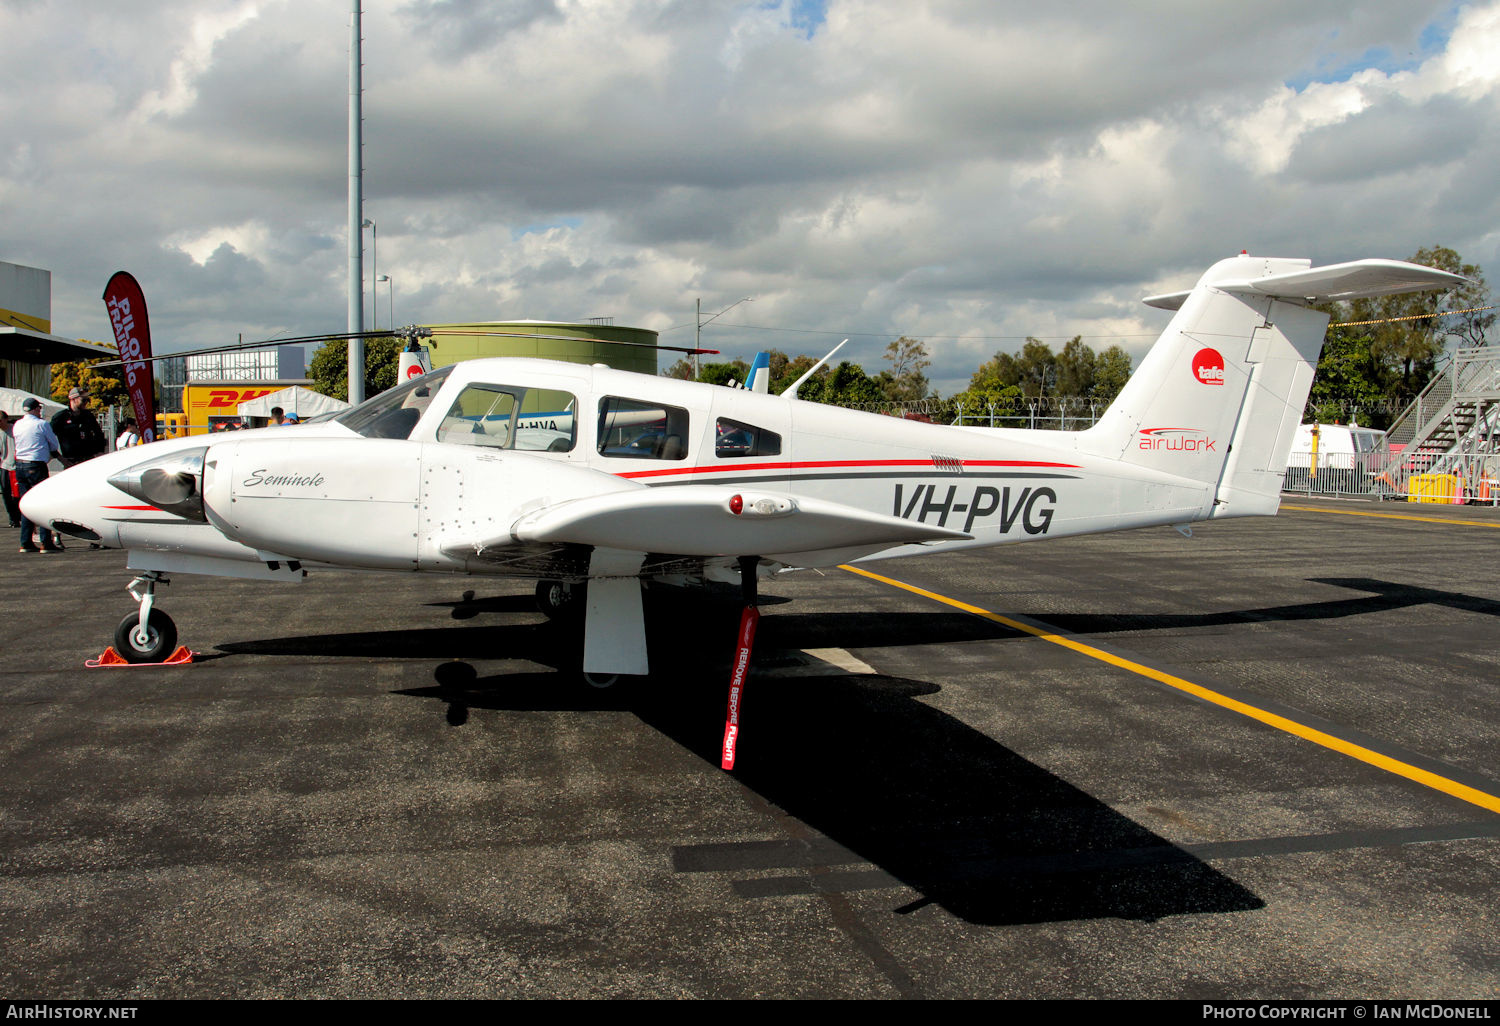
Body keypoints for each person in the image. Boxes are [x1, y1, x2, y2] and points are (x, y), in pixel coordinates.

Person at [14, 397, 63, 553]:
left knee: (26, 504)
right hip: (36, 464)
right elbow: (53, 444)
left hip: (20, 465)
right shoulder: (41, 424)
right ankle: (45, 542)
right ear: (36, 409)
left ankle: (25, 541)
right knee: (42, 503)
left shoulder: (17, 425)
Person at [51, 386, 106, 468]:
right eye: (83, 400)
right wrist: (60, 458)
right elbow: (48, 439)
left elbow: (99, 435)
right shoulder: (61, 417)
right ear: (73, 400)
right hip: (71, 462)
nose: (86, 403)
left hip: (88, 460)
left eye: (87, 400)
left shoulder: (88, 416)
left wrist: (100, 452)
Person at [0, 411, 19, 528]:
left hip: (17, 466)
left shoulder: (15, 430)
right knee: (6, 494)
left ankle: (20, 516)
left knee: (17, 494)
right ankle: (13, 518)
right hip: (4, 466)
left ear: (6, 419)